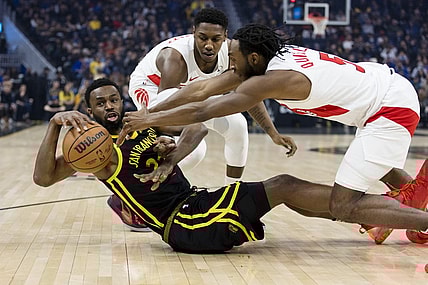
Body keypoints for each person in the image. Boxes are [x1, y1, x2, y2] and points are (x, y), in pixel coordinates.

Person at [117, 23, 428, 244]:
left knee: (343, 204)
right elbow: (201, 88)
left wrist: (148, 120)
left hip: (388, 109)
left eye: (234, 59)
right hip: (383, 87)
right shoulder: (269, 58)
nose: (230, 66)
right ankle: (413, 199)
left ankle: (412, 217)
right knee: (377, 164)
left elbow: (203, 110)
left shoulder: (269, 79)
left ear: (253, 59)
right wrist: (150, 112)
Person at [32, 77, 334, 253]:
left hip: (195, 204)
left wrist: (171, 156)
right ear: (90, 110)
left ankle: (349, 213)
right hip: (183, 224)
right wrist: (54, 126)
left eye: (113, 100)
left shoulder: (140, 123)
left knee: (283, 189)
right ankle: (354, 209)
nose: (109, 106)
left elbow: (198, 127)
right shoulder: (96, 153)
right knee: (282, 186)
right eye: (101, 103)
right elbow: (43, 178)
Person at [128, 8, 296, 184]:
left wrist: (273, 133)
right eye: (202, 38)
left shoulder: (233, 54)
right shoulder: (174, 57)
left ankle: (231, 192)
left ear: (225, 36)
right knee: (195, 151)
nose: (209, 45)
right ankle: (141, 185)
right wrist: (166, 139)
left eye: (215, 39)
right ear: (193, 33)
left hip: (193, 91)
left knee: (238, 124)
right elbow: (166, 111)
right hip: (152, 89)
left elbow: (248, 95)